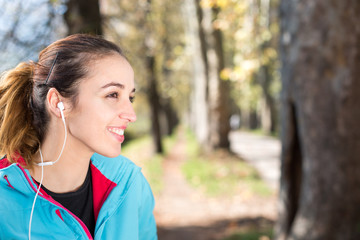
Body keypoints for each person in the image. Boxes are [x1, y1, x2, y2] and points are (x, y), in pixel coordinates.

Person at [0, 34, 157, 239]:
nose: (131, 115)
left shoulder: (129, 182)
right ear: (58, 103)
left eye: (130, 98)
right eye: (112, 95)